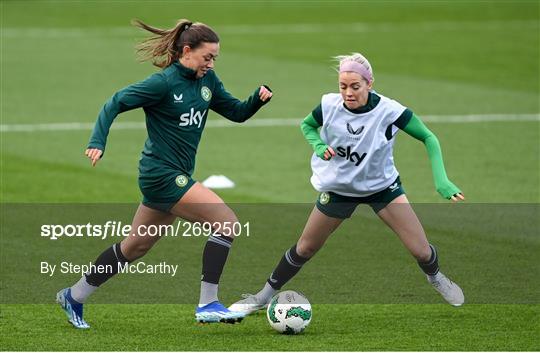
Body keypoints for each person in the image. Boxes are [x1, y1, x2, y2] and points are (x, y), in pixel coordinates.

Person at [56, 18, 273, 329]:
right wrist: (97, 141)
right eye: (207, 57)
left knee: (135, 246)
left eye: (215, 58)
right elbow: (114, 102)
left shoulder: (208, 82)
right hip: (161, 174)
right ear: (187, 51)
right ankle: (208, 303)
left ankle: (74, 295)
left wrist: (257, 100)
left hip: (175, 174)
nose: (211, 63)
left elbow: (237, 113)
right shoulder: (163, 84)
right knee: (226, 222)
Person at [229, 52, 465, 315]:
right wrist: (318, 145)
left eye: (355, 86)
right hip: (340, 189)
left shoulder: (389, 110)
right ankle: (261, 298)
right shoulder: (329, 105)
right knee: (305, 247)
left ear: (369, 83)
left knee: (421, 252)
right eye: (343, 86)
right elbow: (307, 125)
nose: (348, 93)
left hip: (382, 188)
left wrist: (441, 179)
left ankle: (435, 277)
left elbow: (429, 137)